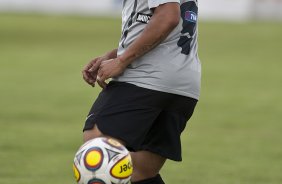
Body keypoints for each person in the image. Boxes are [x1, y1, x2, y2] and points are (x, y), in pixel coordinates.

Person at [82, 0, 201, 183]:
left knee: (98, 150)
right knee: (140, 172)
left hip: (146, 78)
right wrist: (116, 55)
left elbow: (168, 16)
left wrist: (122, 61)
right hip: (183, 86)